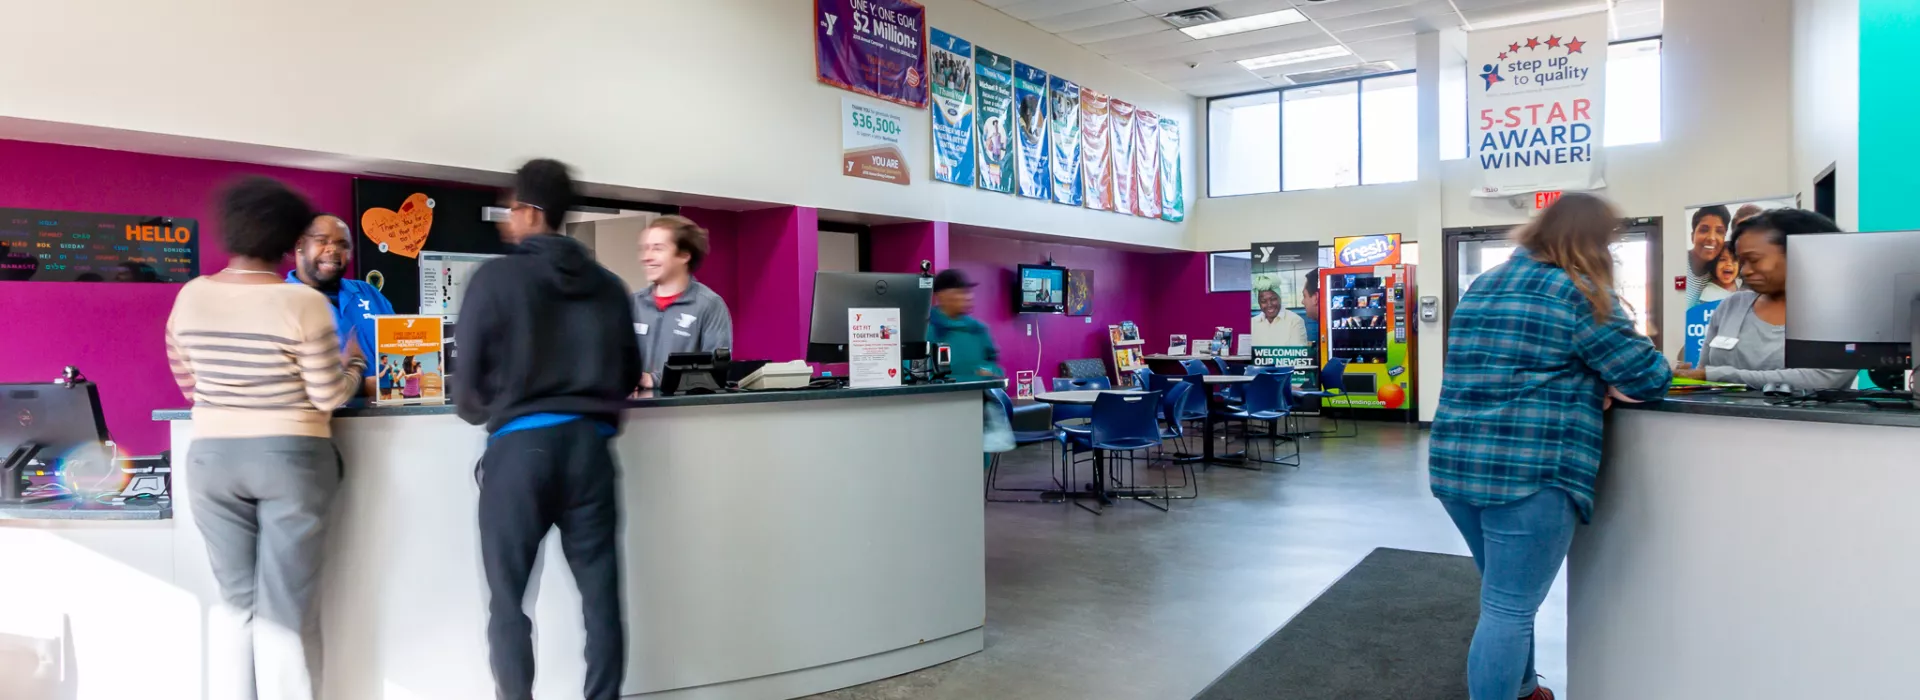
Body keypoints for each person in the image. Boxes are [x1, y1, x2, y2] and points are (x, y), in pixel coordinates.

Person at [1429, 193, 1672, 700]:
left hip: (1456, 466)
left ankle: (1524, 690)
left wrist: (1585, 377)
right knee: (1509, 607)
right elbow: (1648, 377)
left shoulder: (1485, 284)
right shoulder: (1579, 292)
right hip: (1530, 472)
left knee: (1503, 598)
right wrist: (1601, 379)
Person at [164, 177, 366, 700]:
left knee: (236, 607)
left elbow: (188, 384)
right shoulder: (301, 305)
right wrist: (354, 365)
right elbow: (328, 396)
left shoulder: (190, 297)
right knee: (286, 613)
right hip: (291, 457)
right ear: (287, 241)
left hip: (211, 459)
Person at [452, 159, 641, 700]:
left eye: (511, 209)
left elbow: (466, 398)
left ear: (531, 212)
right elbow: (628, 373)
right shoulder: (609, 286)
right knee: (601, 601)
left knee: (509, 602)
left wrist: (495, 398)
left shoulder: (493, 278)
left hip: (519, 455)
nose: (508, 221)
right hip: (590, 454)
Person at [1676, 208, 1855, 391]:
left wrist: (1715, 375)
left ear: (1800, 254)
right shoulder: (1731, 306)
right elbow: (1704, 376)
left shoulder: (1840, 318)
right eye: (1742, 261)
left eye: (1754, 260)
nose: (1745, 271)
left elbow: (1821, 379)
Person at [287, 214, 396, 396]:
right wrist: (362, 386)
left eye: (343, 244)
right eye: (322, 240)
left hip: (389, 419)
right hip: (323, 421)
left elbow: (401, 352)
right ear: (300, 246)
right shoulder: (281, 302)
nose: (333, 250)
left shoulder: (368, 293)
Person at [629, 215, 732, 390]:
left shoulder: (709, 305)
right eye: (644, 249)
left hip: (685, 413)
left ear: (684, 255)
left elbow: (716, 372)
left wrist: (653, 380)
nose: (646, 257)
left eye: (657, 249)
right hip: (636, 413)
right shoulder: (632, 303)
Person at [927, 269, 1006, 470]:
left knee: (973, 473)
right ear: (941, 296)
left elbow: (995, 366)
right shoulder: (927, 329)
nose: (968, 297)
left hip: (974, 413)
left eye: (968, 292)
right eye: (961, 292)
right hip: (937, 416)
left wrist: (988, 371)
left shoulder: (978, 330)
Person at [1684, 205, 1732, 306]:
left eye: (1719, 231)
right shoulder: (1677, 263)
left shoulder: (1721, 274)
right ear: (1693, 236)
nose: (1711, 238)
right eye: (1704, 230)